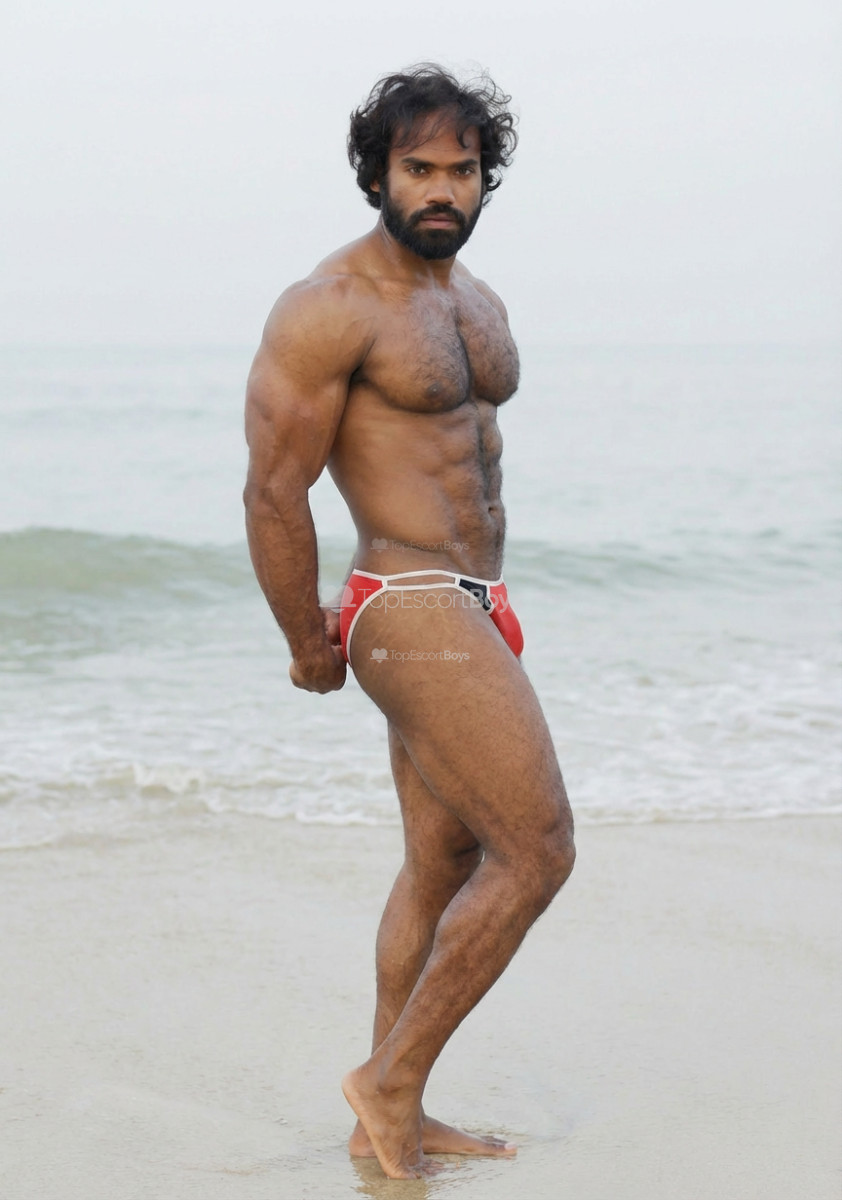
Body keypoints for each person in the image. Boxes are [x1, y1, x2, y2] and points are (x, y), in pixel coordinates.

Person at [243, 63, 575, 1181]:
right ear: (376, 174)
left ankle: (395, 1113)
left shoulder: (476, 301)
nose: (442, 188)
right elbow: (273, 487)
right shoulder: (330, 305)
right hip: (407, 600)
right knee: (537, 850)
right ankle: (387, 1081)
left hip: (477, 601)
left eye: (462, 170)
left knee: (442, 861)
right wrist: (306, 640)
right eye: (418, 167)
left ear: (485, 178)